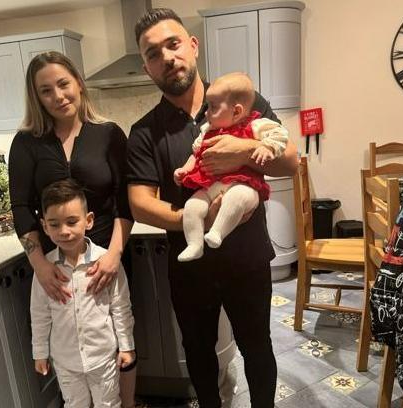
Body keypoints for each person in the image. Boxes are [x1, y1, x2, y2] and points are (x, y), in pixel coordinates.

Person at [127, 8, 299, 408]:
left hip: (248, 256)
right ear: (147, 67)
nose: (167, 57)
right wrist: (197, 218)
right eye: (153, 53)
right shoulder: (143, 132)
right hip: (190, 264)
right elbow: (139, 204)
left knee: (257, 345)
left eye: (173, 44)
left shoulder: (243, 100)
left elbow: (290, 161)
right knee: (198, 351)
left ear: (193, 46)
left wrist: (241, 151)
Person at [8, 52, 137, 407]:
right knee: (70, 343)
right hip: (54, 265)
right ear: (37, 97)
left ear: (78, 83)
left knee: (118, 339)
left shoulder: (108, 134)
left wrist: (113, 255)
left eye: (63, 84)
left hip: (109, 255)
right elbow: (20, 206)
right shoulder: (25, 143)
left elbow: (124, 200)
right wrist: (40, 265)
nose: (58, 96)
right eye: (46, 90)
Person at [31, 179, 135, 408]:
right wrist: (40, 352)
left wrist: (127, 345)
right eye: (54, 224)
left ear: (88, 221)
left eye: (71, 222)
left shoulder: (105, 261)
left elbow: (120, 306)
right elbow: (39, 314)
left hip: (103, 358)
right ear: (44, 226)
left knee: (108, 404)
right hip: (65, 361)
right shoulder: (46, 270)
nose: (64, 231)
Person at [174, 72, 288, 262]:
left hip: (244, 184)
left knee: (238, 197)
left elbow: (280, 135)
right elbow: (196, 153)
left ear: (236, 111)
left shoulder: (256, 125)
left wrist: (266, 146)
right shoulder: (207, 131)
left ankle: (218, 231)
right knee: (192, 206)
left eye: (213, 107)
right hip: (211, 185)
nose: (207, 113)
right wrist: (185, 169)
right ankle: (195, 244)